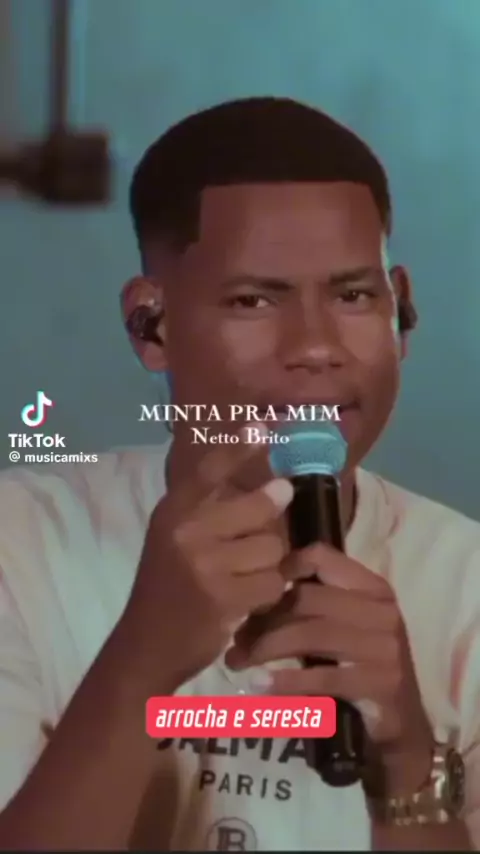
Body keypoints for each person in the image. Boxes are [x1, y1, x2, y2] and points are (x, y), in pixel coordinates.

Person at [0, 96, 478, 852]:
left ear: (403, 310)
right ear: (150, 325)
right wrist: (140, 662)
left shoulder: (466, 585)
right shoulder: (21, 544)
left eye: (354, 295)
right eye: (253, 300)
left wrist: (406, 756)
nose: (315, 346)